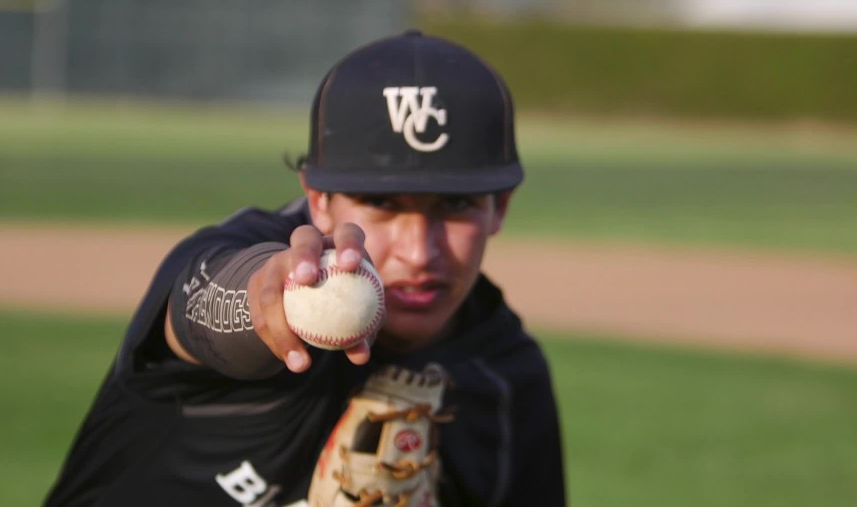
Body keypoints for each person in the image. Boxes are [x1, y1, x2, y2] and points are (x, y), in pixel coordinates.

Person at [45, 30, 566, 506]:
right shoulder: (238, 254)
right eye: (381, 203)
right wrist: (262, 295)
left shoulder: (506, 379)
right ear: (318, 199)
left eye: (455, 207)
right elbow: (198, 306)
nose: (418, 251)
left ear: (500, 207)